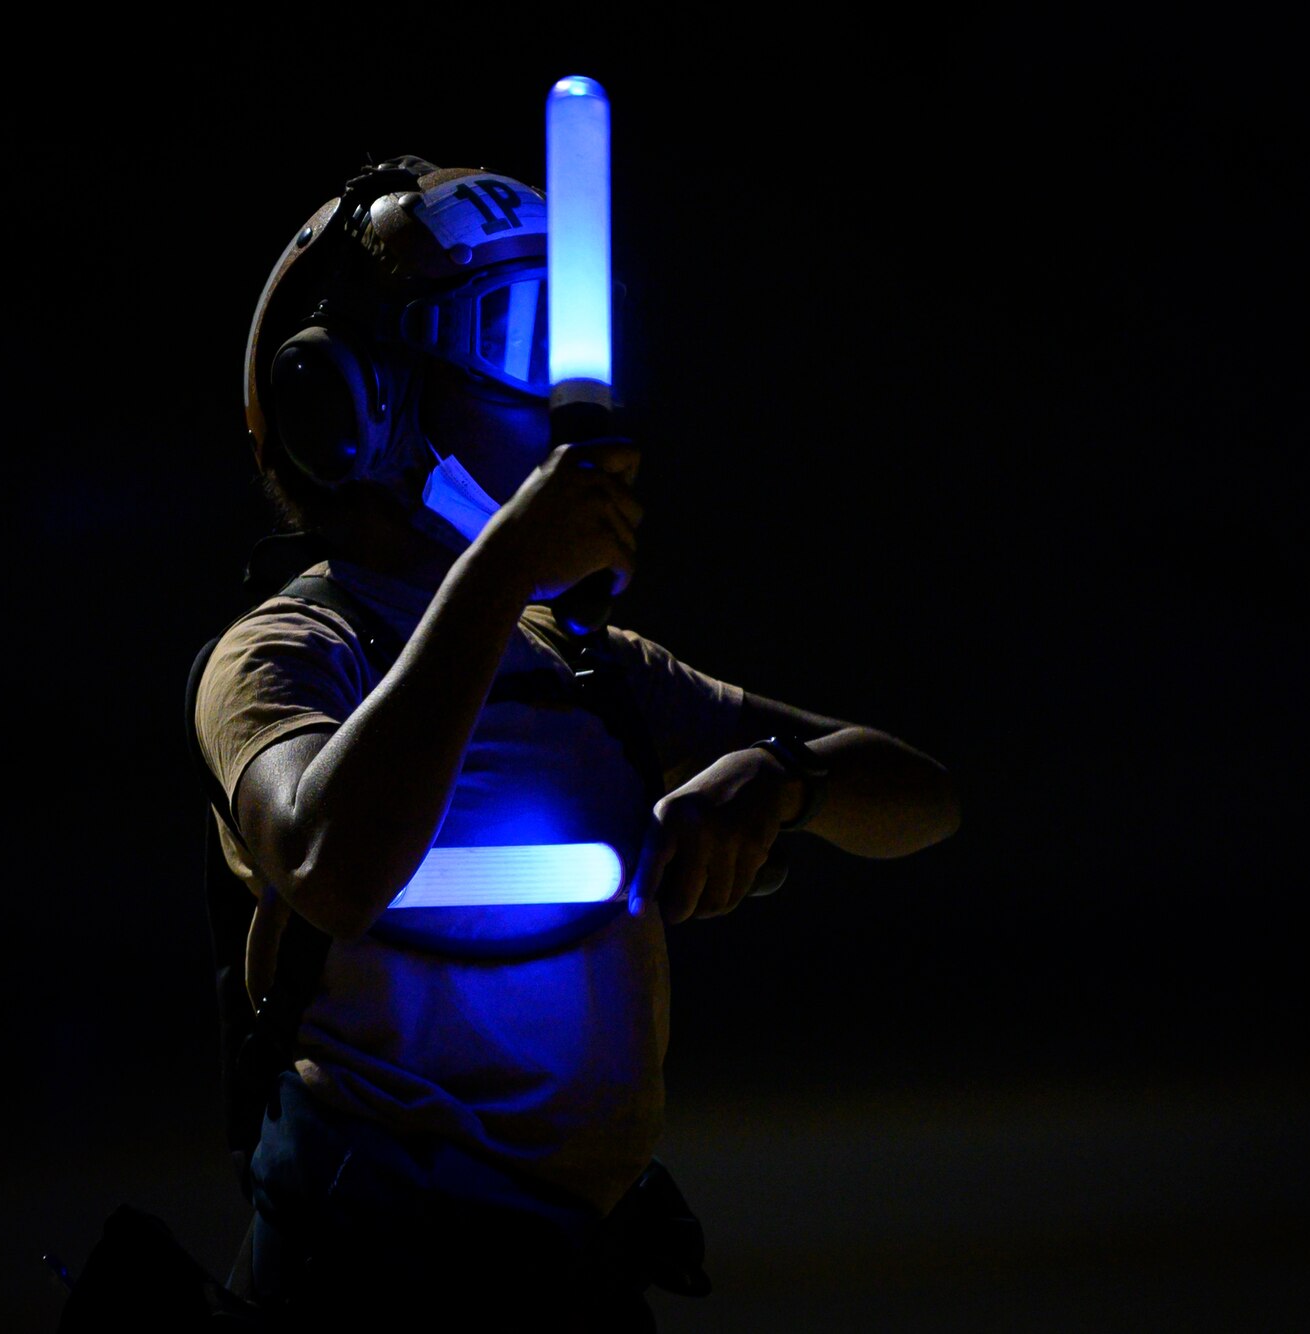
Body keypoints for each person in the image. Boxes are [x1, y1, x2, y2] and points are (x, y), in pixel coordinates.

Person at [193, 153, 960, 1327]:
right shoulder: (292, 648)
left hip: (576, 1281)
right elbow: (331, 860)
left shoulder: (589, 665)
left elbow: (922, 800)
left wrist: (782, 775)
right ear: (347, 401)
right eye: (510, 340)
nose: (564, 409)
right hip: (367, 1284)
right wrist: (504, 563)